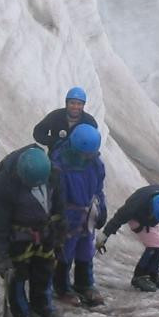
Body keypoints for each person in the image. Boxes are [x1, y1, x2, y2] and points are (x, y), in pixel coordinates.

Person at [0, 145, 66, 317]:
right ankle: (22, 313)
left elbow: (59, 205)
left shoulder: (53, 174)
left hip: (45, 233)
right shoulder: (5, 185)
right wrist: (1, 255)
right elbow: (0, 224)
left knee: (44, 270)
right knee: (17, 274)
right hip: (18, 237)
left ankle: (42, 305)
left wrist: (59, 232)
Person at [51, 124, 107, 307]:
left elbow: (98, 189)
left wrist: (101, 207)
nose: (89, 156)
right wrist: (59, 217)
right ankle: (61, 287)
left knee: (85, 249)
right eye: (86, 153)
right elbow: (56, 194)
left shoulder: (95, 163)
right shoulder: (59, 164)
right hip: (68, 213)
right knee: (65, 251)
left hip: (87, 212)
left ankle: (85, 284)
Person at [95, 185, 159, 292]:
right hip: (137, 218)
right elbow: (119, 218)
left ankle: (152, 275)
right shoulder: (135, 205)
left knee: (158, 246)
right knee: (156, 245)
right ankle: (139, 276)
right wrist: (105, 234)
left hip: (151, 217)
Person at [32, 87, 99, 155]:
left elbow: (94, 142)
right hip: (55, 157)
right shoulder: (56, 116)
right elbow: (38, 132)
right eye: (72, 103)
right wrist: (55, 142)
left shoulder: (89, 121)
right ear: (66, 103)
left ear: (83, 105)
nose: (75, 107)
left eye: (79, 104)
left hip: (79, 158)